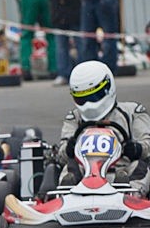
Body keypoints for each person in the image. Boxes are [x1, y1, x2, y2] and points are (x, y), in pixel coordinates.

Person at [57, 61, 150, 196]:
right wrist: (69, 149)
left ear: (108, 88)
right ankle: (66, 195)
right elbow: (61, 155)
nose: (88, 104)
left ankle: (130, 195)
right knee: (70, 167)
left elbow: (147, 145)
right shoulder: (74, 118)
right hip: (85, 175)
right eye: (82, 98)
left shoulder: (133, 112)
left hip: (122, 170)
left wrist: (137, 149)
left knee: (141, 166)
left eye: (93, 96)